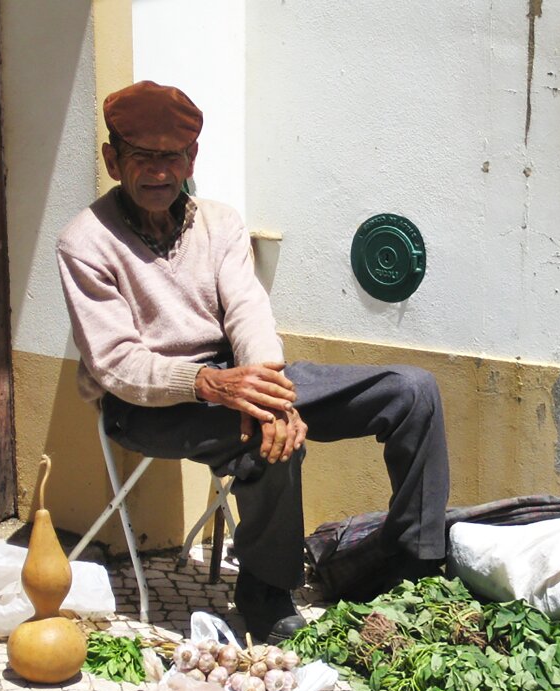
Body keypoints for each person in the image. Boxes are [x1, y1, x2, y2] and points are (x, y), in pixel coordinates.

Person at [57, 80, 450, 643]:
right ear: (112, 159)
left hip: (238, 378)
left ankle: (412, 562)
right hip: (145, 405)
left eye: (172, 156)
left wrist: (268, 390)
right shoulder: (85, 242)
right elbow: (117, 364)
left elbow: (249, 313)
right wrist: (214, 385)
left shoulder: (220, 223)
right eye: (142, 157)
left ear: (192, 157)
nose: (158, 171)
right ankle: (265, 593)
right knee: (264, 442)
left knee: (412, 391)